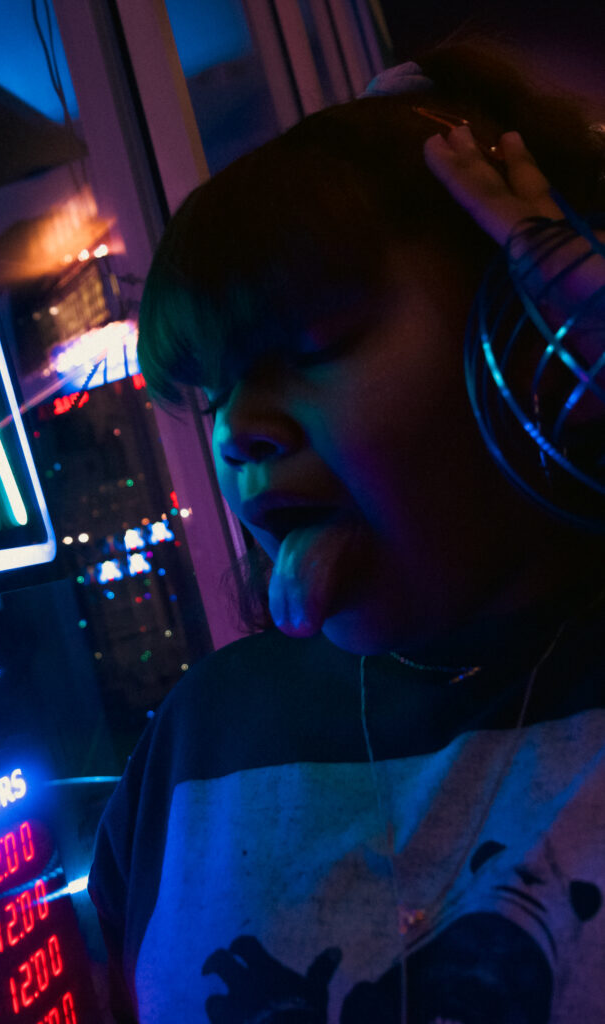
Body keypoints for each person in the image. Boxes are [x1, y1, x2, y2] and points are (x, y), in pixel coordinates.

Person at [89, 40, 605, 1024]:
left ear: (526, 336)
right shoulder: (194, 742)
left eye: (312, 346)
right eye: (217, 391)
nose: (240, 431)